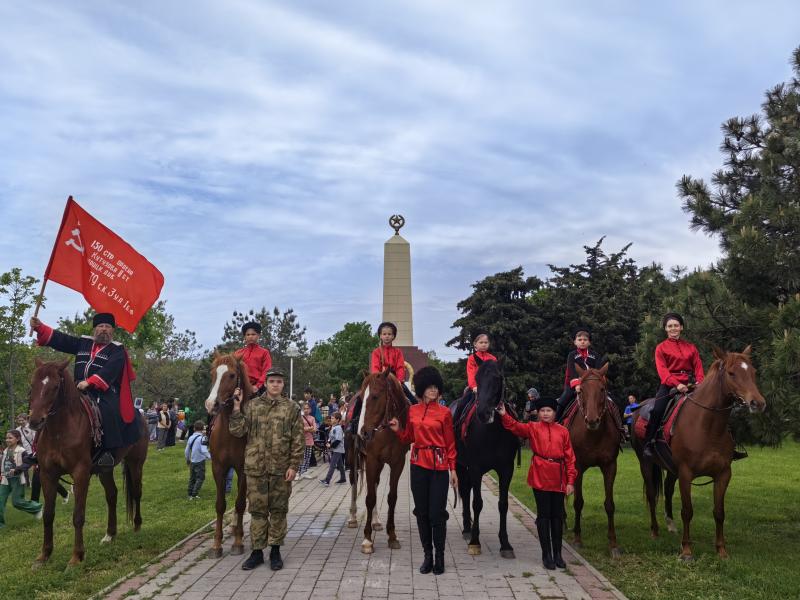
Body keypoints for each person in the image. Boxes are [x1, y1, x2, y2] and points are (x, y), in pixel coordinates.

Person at [30, 313, 139, 467]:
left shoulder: (117, 350)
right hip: (77, 389)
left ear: (112, 330)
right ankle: (38, 450)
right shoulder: (83, 343)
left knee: (109, 410)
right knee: (51, 406)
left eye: (107, 327)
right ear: (95, 329)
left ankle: (107, 452)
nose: (104, 330)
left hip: (104, 391)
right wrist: (40, 327)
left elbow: (110, 370)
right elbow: (62, 340)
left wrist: (90, 382)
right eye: (101, 326)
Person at [230, 367, 304, 571]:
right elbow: (237, 431)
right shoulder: (252, 406)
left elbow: (298, 440)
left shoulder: (291, 408)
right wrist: (236, 409)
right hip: (256, 468)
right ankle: (256, 552)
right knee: (257, 511)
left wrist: (293, 466)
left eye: (279, 382)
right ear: (266, 384)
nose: (275, 385)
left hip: (281, 469)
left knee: (279, 511)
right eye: (272, 381)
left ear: (282, 385)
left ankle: (275, 551)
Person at [389, 366, 457, 576]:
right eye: (429, 387)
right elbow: (408, 438)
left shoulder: (445, 413)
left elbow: (450, 443)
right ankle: (427, 555)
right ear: (421, 389)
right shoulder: (412, 411)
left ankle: (440, 557)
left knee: (437, 513)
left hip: (438, 467)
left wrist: (453, 470)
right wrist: (397, 430)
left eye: (436, 387)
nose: (433, 390)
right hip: (418, 466)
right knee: (422, 513)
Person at [497, 397, 576, 570]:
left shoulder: (563, 431)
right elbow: (515, 427)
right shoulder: (533, 428)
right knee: (543, 516)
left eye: (549, 411)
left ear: (555, 413)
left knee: (557, 516)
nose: (546, 414)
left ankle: (558, 554)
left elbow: (570, 458)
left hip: (559, 476)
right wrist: (504, 415)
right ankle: (546, 555)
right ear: (538, 413)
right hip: (540, 475)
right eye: (542, 411)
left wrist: (571, 481)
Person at [643, 313, 705, 459]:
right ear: (666, 329)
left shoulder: (691, 347)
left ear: (681, 327)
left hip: (691, 383)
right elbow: (662, 371)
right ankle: (649, 443)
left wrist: (700, 382)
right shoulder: (660, 348)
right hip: (669, 384)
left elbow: (698, 366)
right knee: (657, 410)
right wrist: (677, 385)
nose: (673, 328)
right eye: (670, 326)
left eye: (676, 325)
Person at [15, 414, 70, 504]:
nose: (21, 422)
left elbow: (36, 440)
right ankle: (64, 493)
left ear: (26, 420)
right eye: (19, 420)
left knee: (41, 476)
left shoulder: (32, 428)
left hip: (36, 453)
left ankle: (34, 502)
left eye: (22, 420)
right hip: (27, 454)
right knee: (44, 477)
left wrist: (37, 452)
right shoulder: (18, 430)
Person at [452, 330, 497, 427]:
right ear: (475, 345)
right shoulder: (472, 358)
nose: (484, 344)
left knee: (505, 404)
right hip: (475, 389)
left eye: (486, 342)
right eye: (481, 342)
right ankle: (454, 426)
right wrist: (474, 387)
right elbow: (471, 374)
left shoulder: (493, 359)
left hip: (489, 389)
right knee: (461, 404)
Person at [555, 329, 600, 422]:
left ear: (589, 343)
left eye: (585, 339)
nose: (582, 341)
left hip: (592, 383)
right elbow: (572, 371)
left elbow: (598, 370)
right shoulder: (572, 355)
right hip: (574, 384)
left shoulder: (595, 355)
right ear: (575, 342)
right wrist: (577, 384)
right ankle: (556, 422)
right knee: (562, 401)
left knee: (612, 399)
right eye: (579, 340)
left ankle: (621, 428)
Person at [0, 430, 42, 528]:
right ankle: (0, 525)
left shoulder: (22, 451)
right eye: (6, 438)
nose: (7, 440)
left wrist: (17, 470)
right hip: (5, 480)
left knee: (17, 502)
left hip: (17, 480)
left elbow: (27, 463)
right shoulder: (6, 450)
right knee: (0, 500)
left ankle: (37, 508)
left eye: (10, 438)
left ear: (17, 439)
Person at [234, 321, 272, 395]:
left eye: (253, 334)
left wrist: (257, 386)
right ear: (245, 337)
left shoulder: (264, 352)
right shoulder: (237, 353)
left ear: (258, 336)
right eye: (248, 334)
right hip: (239, 387)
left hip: (258, 388)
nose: (250, 336)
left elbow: (267, 371)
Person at [185, 421, 212, 499]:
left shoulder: (190, 437)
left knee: (192, 478)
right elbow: (204, 450)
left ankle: (189, 494)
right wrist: (210, 457)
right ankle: (194, 494)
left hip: (192, 460)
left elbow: (186, 450)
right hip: (200, 461)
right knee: (200, 478)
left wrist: (187, 459)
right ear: (203, 429)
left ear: (194, 428)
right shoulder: (203, 438)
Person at [319, 412, 347, 485]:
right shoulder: (334, 427)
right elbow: (332, 437)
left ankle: (327, 480)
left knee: (332, 464)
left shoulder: (338, 428)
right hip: (336, 449)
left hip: (337, 449)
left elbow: (338, 439)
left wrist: (331, 445)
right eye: (331, 418)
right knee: (340, 465)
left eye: (332, 418)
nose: (331, 419)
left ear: (337, 420)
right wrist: (328, 442)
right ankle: (343, 478)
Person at [298, 402, 317, 480]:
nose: (306, 410)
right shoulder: (300, 418)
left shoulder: (312, 418)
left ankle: (304, 471)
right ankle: (298, 472)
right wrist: (308, 428)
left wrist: (307, 429)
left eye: (307, 408)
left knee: (308, 456)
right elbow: (299, 428)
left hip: (310, 440)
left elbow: (315, 429)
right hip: (301, 440)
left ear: (310, 409)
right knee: (301, 456)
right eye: (304, 408)